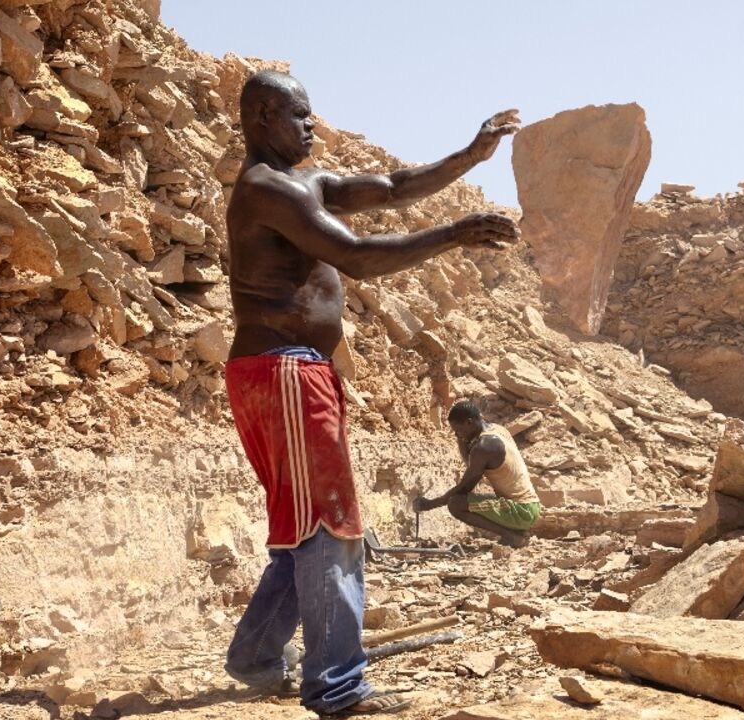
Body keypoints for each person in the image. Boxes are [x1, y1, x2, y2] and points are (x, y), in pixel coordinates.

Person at [221, 69, 519, 717]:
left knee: (306, 526)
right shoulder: (266, 188)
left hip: (283, 372)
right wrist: (454, 234)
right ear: (263, 116)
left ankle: (255, 656)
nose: (312, 126)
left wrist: (470, 155)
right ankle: (336, 687)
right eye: (300, 116)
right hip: (285, 371)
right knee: (331, 527)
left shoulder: (301, 182)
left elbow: (393, 187)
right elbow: (355, 256)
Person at [412, 400, 542, 548]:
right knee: (472, 500)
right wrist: (461, 439)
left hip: (522, 511)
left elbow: (464, 488)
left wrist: (429, 504)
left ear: (469, 422)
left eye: (458, 430)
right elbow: (470, 463)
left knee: (455, 503)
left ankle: (512, 536)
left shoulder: (483, 447)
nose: (457, 434)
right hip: (530, 506)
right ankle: (515, 532)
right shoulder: (497, 430)